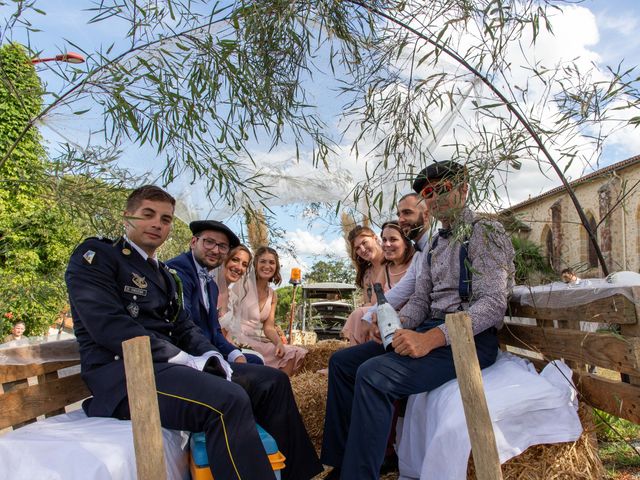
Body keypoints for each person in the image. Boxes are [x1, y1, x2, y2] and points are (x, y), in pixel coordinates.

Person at [65, 185, 322, 480]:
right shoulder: (98, 256)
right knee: (228, 399)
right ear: (127, 217)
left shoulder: (163, 274)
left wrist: (213, 357)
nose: (157, 224)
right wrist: (182, 358)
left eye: (165, 219)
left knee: (271, 381)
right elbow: (108, 325)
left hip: (166, 369)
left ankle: (296, 475)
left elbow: (185, 326)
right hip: (126, 375)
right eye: (147, 214)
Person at [320, 161, 515, 479]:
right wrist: (393, 328)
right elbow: (421, 302)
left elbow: (492, 305)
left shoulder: (485, 232)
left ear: (463, 189)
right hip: (433, 330)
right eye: (428, 192)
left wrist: (431, 339)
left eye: (442, 189)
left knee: (373, 374)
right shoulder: (436, 244)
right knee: (343, 363)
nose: (435, 198)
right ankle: (343, 462)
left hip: (470, 340)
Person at [166, 225, 261, 365]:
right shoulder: (179, 271)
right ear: (193, 242)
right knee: (271, 377)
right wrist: (214, 356)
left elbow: (215, 331)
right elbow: (184, 326)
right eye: (209, 242)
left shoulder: (211, 286)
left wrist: (235, 355)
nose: (216, 250)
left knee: (255, 361)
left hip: (207, 348)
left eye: (222, 246)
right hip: (185, 353)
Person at [230, 246, 307, 376]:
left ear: (276, 267)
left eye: (271, 262)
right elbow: (227, 316)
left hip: (257, 340)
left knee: (295, 352)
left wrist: (278, 343)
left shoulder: (272, 294)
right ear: (255, 264)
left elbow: (269, 327)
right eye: (263, 261)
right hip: (237, 339)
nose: (267, 266)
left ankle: (278, 388)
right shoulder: (241, 285)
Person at [361, 193, 431, 325]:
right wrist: (369, 316)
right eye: (399, 215)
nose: (401, 219)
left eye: (407, 213)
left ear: (426, 215)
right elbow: (400, 292)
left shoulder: (439, 246)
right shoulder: (418, 256)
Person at [341, 226, 386, 344]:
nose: (362, 249)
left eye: (364, 242)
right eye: (357, 248)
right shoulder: (367, 274)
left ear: (375, 238)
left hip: (394, 310)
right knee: (360, 314)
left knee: (358, 314)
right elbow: (368, 302)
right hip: (373, 315)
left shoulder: (392, 261)